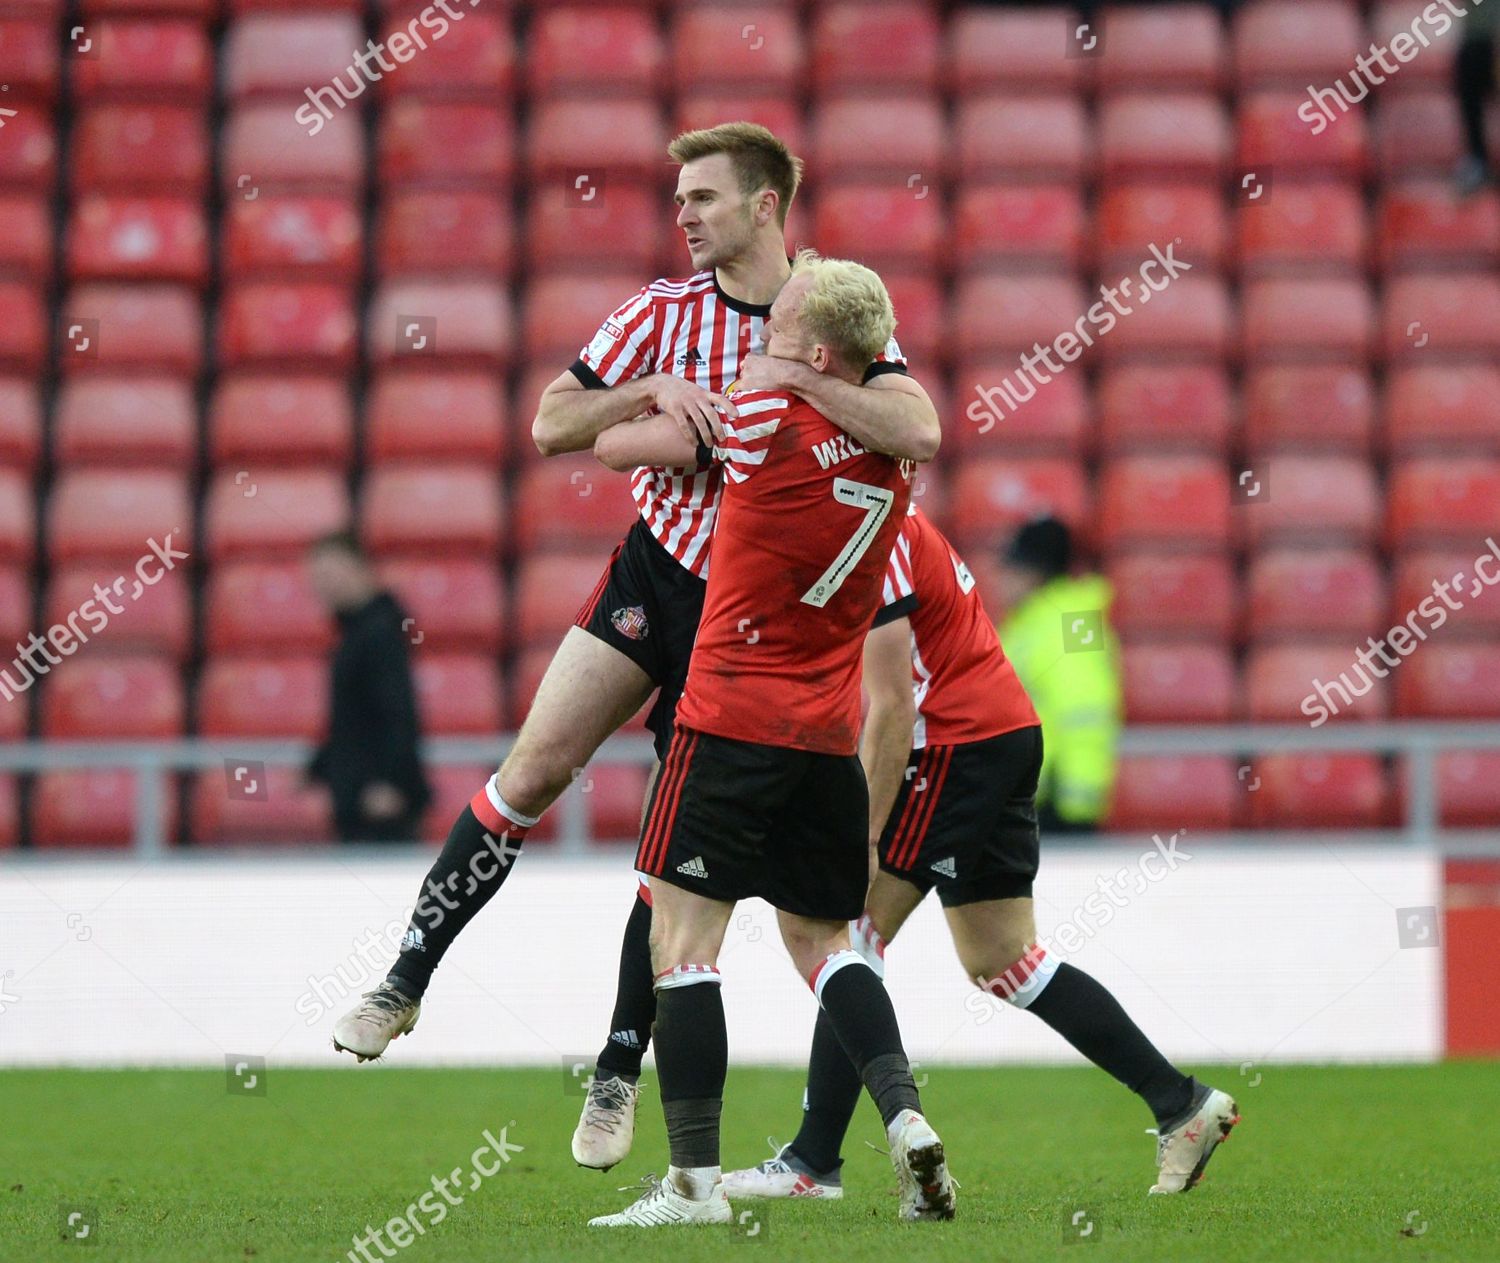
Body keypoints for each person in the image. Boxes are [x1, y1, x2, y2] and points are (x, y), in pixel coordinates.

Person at [329, 122, 939, 1061]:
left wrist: (782, 379)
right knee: (532, 768)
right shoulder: (660, 311)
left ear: (763, 204)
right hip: (655, 572)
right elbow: (551, 423)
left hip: (745, 619)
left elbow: (918, 427)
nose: (682, 213)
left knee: (669, 842)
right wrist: (647, 388)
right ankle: (404, 979)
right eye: (681, 196)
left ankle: (617, 1065)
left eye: (703, 196)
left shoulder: (827, 317)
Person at [715, 506, 1239, 1201]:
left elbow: (895, 709)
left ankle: (814, 1161)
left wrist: (863, 838)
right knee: (1005, 961)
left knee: (851, 932)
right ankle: (1181, 1103)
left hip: (953, 745)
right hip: (1002, 733)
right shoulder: (887, 516)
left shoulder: (861, 535)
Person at [586, 252, 951, 1228]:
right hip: (827, 733)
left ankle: (694, 1190)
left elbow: (619, 447)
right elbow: (917, 419)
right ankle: (905, 1118)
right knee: (827, 941)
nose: (765, 326)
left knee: (682, 942)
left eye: (782, 317)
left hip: (730, 721)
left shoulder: (758, 423)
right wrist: (802, 371)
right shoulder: (890, 450)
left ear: (820, 347)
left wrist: (674, 397)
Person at [996, 517, 1121, 834]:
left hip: (1055, 804)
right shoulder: (1034, 621)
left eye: (1011, 568)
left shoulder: (1069, 623)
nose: (1000, 579)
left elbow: (1085, 709)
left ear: (1034, 572)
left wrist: (1075, 801)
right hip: (1033, 797)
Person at [305, 531, 431, 843]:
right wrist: (318, 767)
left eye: (332, 573)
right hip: (360, 796)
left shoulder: (378, 633)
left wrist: (391, 781)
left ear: (361, 568)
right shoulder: (359, 632)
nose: (325, 585)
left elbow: (399, 713)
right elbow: (352, 720)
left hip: (377, 802)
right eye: (318, 577)